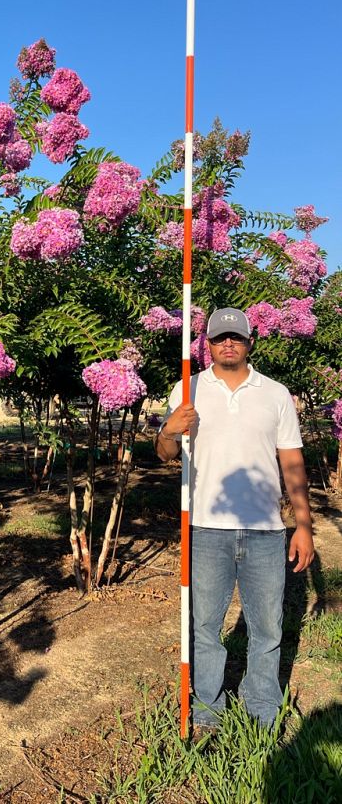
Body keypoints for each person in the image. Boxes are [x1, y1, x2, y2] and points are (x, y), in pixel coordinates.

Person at [155, 307, 315, 729]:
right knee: (205, 626)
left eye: (237, 337)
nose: (228, 343)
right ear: (206, 344)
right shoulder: (186, 389)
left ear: (250, 342)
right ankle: (208, 710)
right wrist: (169, 430)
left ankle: (262, 710)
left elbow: (292, 461)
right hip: (206, 530)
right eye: (220, 337)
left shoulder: (275, 394)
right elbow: (165, 455)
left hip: (265, 531)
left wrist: (303, 525)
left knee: (267, 628)